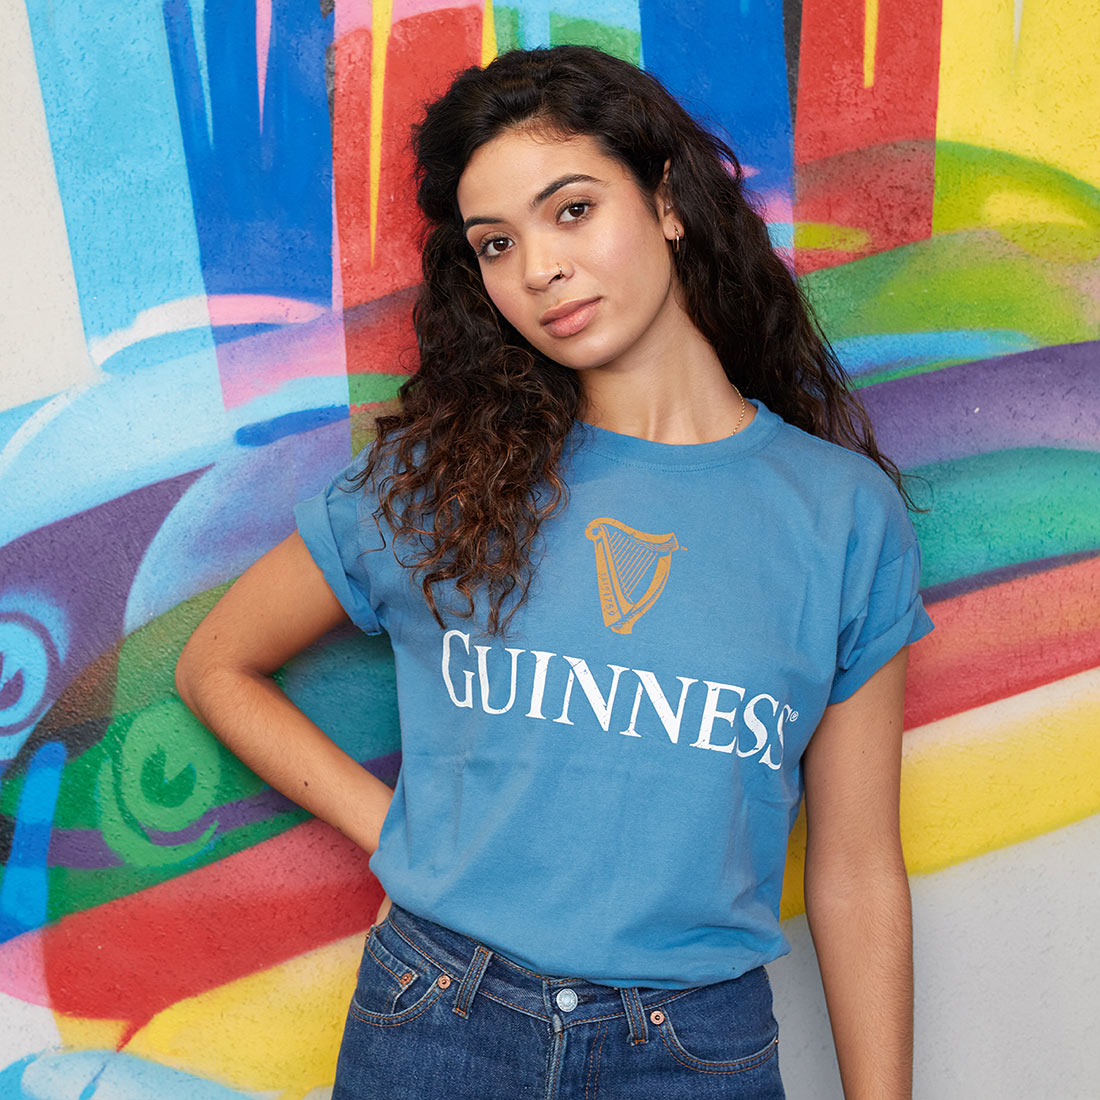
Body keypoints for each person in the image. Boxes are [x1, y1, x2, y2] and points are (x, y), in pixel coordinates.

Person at [176, 45, 933, 1100]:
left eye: (569, 210)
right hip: (439, 1020)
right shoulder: (447, 477)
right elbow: (216, 661)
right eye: (496, 242)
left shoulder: (841, 514)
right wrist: (388, 835)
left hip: (691, 1052)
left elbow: (854, 868)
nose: (537, 267)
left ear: (665, 199)